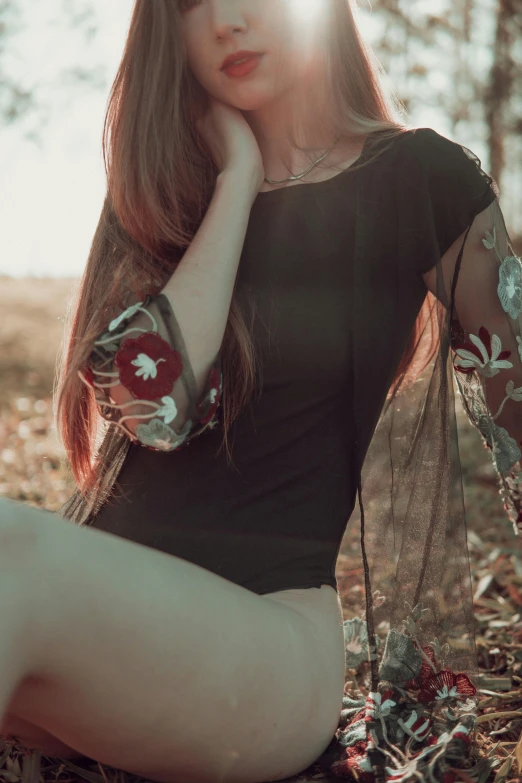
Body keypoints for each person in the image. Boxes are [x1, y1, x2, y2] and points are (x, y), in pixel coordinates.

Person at [0, 0, 519, 781]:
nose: (225, 22)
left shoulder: (422, 180)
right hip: (91, 639)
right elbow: (150, 400)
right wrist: (235, 183)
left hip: (266, 646)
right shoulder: (162, 189)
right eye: (190, 4)